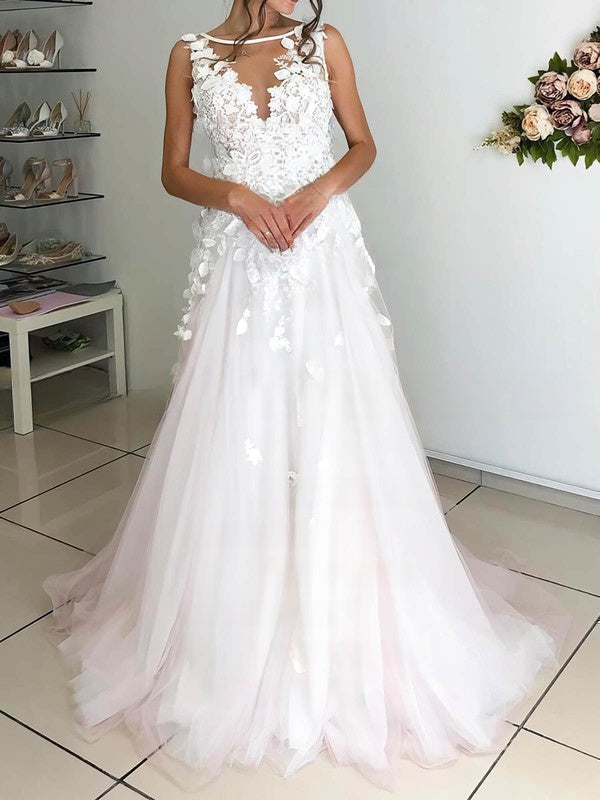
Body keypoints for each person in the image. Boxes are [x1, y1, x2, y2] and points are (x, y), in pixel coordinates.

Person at [43, 0, 572, 792]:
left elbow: (363, 145)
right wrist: (236, 197)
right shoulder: (189, 53)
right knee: (238, 426)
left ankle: (345, 603)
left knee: (335, 424)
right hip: (239, 259)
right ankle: (234, 610)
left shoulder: (324, 42)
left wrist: (316, 193)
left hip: (320, 255)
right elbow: (173, 170)